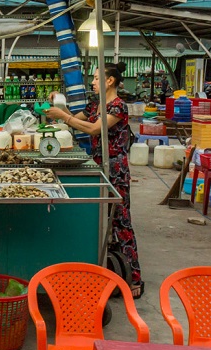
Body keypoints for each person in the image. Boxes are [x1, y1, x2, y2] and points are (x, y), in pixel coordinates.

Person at [45, 62, 143, 298]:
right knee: (102, 221)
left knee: (120, 221)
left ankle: (135, 279)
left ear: (110, 81)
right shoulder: (95, 104)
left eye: (98, 78)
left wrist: (64, 118)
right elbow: (72, 118)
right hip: (100, 165)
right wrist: (57, 106)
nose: (93, 82)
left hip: (116, 169)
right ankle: (107, 271)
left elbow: (93, 129)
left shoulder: (119, 107)